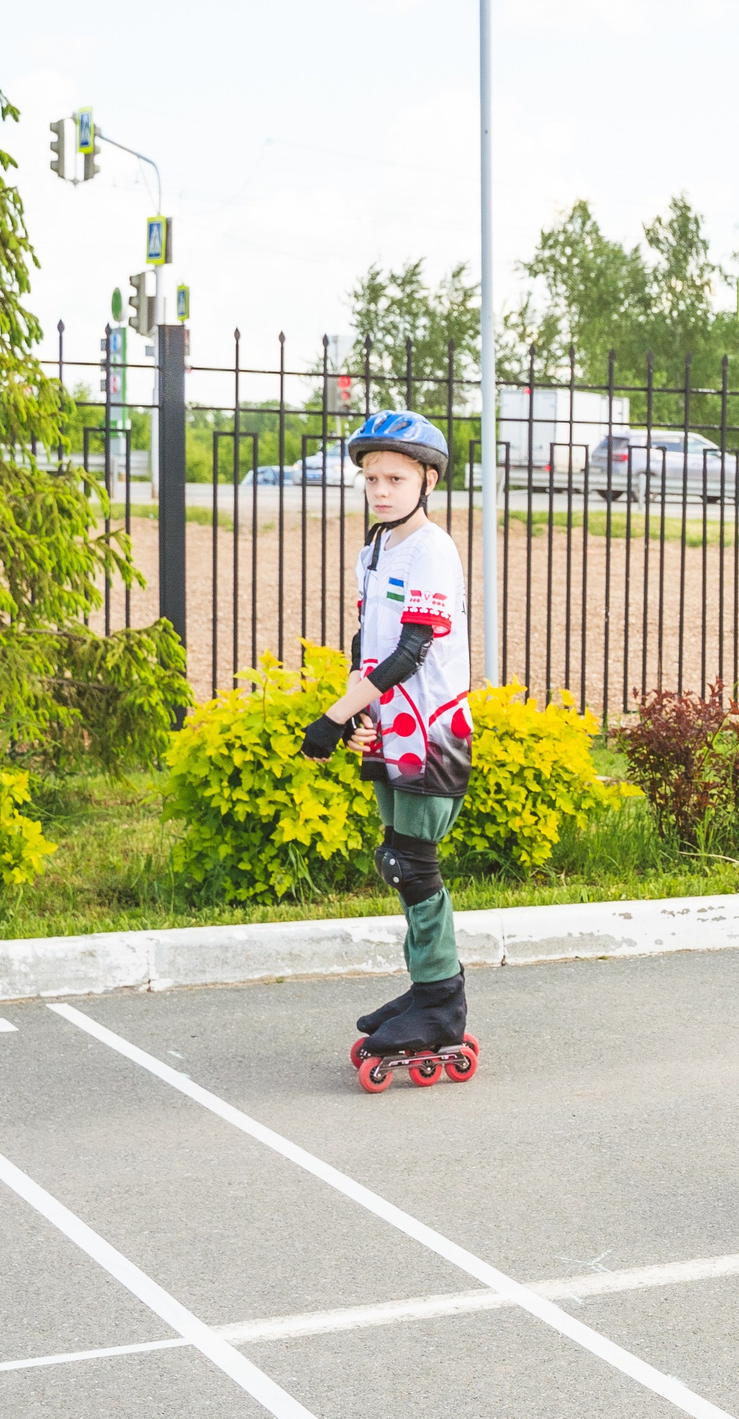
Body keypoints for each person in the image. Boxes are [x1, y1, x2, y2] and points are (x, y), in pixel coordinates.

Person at [301, 411, 476, 1069]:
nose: (379, 488)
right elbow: (366, 641)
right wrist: (358, 712)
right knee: (395, 860)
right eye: (371, 477)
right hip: (388, 728)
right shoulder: (374, 549)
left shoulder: (434, 548)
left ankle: (440, 1002)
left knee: (414, 861)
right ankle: (424, 989)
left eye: (395, 476)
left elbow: (412, 648)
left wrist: (333, 713)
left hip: (432, 731)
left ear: (427, 479)